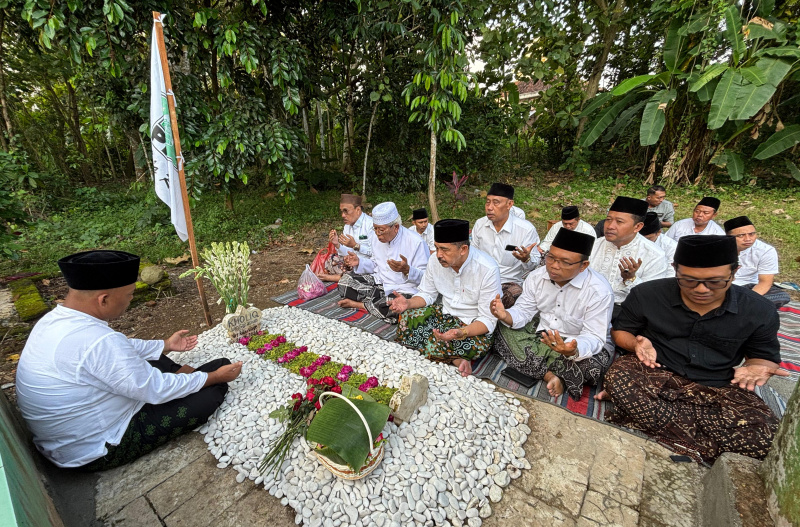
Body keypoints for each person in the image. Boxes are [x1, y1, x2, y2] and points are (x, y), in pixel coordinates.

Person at [15, 250, 242, 470]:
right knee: (214, 387)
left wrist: (165, 344)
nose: (131, 300)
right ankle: (186, 381)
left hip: (67, 438)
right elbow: (154, 389)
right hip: (95, 447)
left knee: (154, 358)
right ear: (103, 299)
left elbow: (123, 348)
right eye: (129, 295)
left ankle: (182, 379)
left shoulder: (55, 319)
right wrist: (213, 377)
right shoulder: (98, 341)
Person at [600, 235, 788, 463]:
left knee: (765, 438)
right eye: (688, 280)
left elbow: (762, 357)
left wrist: (758, 367)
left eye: (715, 282)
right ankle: (705, 441)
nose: (701, 289)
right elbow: (621, 331)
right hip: (653, 372)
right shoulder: (647, 294)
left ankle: (652, 421)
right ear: (675, 269)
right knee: (620, 377)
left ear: (734, 272)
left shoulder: (759, 310)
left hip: (717, 387)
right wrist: (636, 344)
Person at [489, 229, 614, 400]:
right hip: (543, 332)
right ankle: (550, 375)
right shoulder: (537, 277)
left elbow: (594, 336)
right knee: (501, 329)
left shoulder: (599, 291)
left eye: (565, 262)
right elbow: (524, 310)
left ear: (583, 265)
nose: (554, 265)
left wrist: (572, 350)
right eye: (551, 257)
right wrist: (505, 315)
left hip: (578, 341)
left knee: (591, 367)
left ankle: (539, 365)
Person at [391, 219, 501, 377]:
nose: (438, 255)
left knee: (475, 346)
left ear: (463, 249)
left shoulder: (487, 269)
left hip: (471, 325)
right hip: (443, 315)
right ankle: (453, 357)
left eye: (444, 249)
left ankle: (439, 348)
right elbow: (427, 294)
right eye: (436, 248)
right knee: (407, 317)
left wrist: (461, 332)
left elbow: (488, 319)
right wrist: (408, 303)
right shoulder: (434, 260)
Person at [336, 202, 430, 322]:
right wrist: (359, 262)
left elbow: (426, 279)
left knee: (398, 306)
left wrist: (407, 270)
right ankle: (377, 304)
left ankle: (361, 305)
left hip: (404, 289)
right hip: (380, 283)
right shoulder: (375, 238)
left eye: (381, 230)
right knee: (345, 282)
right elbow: (375, 264)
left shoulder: (416, 242)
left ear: (395, 227)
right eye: (375, 228)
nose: (377, 233)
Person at [589, 196, 668, 314]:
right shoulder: (593, 246)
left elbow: (652, 296)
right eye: (608, 219)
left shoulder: (654, 255)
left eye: (619, 222)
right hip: (589, 306)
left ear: (637, 227)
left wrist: (631, 279)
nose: (610, 226)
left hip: (629, 312)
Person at [471, 183, 540, 308]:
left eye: (496, 203)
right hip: (480, 279)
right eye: (487, 202)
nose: (489, 207)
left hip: (507, 283)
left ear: (509, 204)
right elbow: (472, 255)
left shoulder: (525, 230)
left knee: (507, 298)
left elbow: (534, 265)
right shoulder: (480, 224)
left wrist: (526, 259)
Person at [724, 216, 791, 309]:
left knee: (781, 296)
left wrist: (747, 299)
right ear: (728, 236)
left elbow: (765, 282)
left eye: (751, 234)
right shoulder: (718, 247)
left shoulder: (766, 250)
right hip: (723, 286)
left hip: (750, 288)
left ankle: (735, 306)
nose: (748, 239)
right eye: (741, 235)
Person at [317, 194, 375, 282]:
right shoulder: (347, 226)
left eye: (346, 211)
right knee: (332, 259)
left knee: (358, 268)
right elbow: (347, 253)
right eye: (342, 211)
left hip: (366, 263)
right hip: (352, 262)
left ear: (358, 210)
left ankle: (339, 277)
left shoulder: (371, 225)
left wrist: (356, 246)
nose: (343, 215)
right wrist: (337, 244)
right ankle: (344, 276)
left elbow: (376, 253)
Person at [640, 212, 677, 277]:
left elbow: (671, 273)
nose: (644, 241)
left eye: (648, 238)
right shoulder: (632, 239)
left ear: (659, 232)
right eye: (641, 238)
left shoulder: (671, 246)